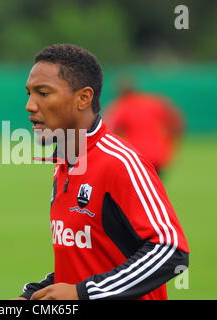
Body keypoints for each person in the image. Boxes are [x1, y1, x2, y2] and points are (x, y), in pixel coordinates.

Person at [15, 44, 189, 300]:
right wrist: (31, 296)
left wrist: (84, 293)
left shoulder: (120, 163)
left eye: (43, 93)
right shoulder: (64, 164)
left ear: (83, 98)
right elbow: (86, 259)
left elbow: (172, 250)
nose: (30, 106)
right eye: (29, 93)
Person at [103, 77, 184, 177]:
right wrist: (170, 140)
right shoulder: (153, 102)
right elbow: (176, 121)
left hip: (137, 156)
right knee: (153, 189)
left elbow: (107, 132)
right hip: (158, 155)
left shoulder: (121, 107)